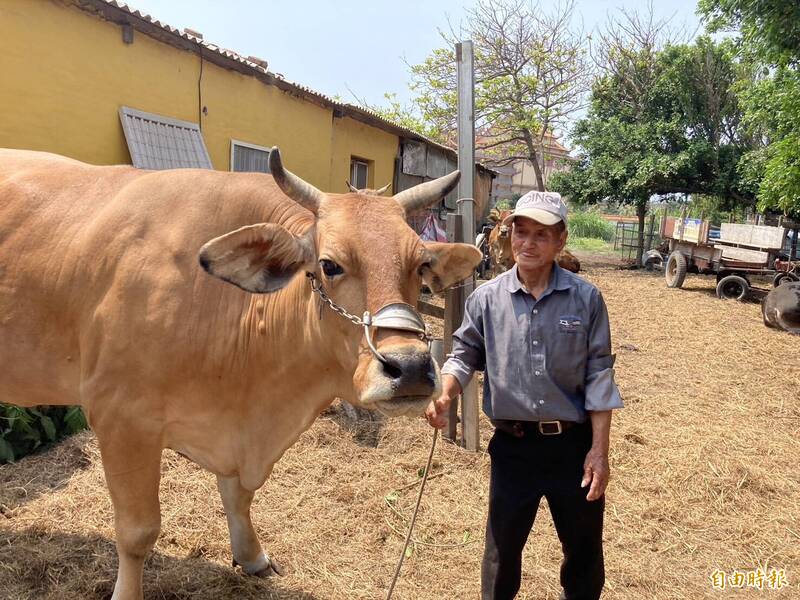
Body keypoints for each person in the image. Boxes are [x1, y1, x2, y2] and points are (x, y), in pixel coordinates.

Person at [426, 191, 623, 600]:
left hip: (573, 448)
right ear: (509, 235)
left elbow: (599, 374)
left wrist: (599, 452)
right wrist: (445, 393)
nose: (528, 244)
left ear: (560, 240)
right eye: (521, 232)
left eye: (541, 234)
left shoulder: (585, 299)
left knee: (584, 552)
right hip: (513, 449)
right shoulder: (486, 298)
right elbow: (464, 356)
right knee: (500, 556)